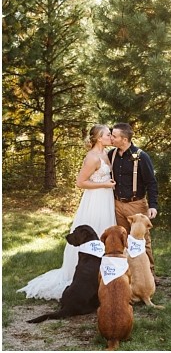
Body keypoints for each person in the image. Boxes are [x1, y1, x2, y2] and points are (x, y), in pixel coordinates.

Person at [19, 124, 116, 300]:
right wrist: (104, 184)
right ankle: (80, 274)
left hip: (106, 198)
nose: (111, 136)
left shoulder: (106, 154)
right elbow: (80, 182)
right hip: (95, 200)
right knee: (94, 229)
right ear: (99, 138)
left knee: (105, 232)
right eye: (108, 134)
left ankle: (102, 275)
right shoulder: (92, 157)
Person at [109, 123, 158, 276]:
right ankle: (127, 274)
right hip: (117, 204)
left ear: (124, 139)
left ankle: (149, 274)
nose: (111, 138)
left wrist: (153, 205)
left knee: (141, 241)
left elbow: (151, 182)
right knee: (122, 240)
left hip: (136, 205)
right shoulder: (111, 155)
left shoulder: (141, 156)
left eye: (114, 136)